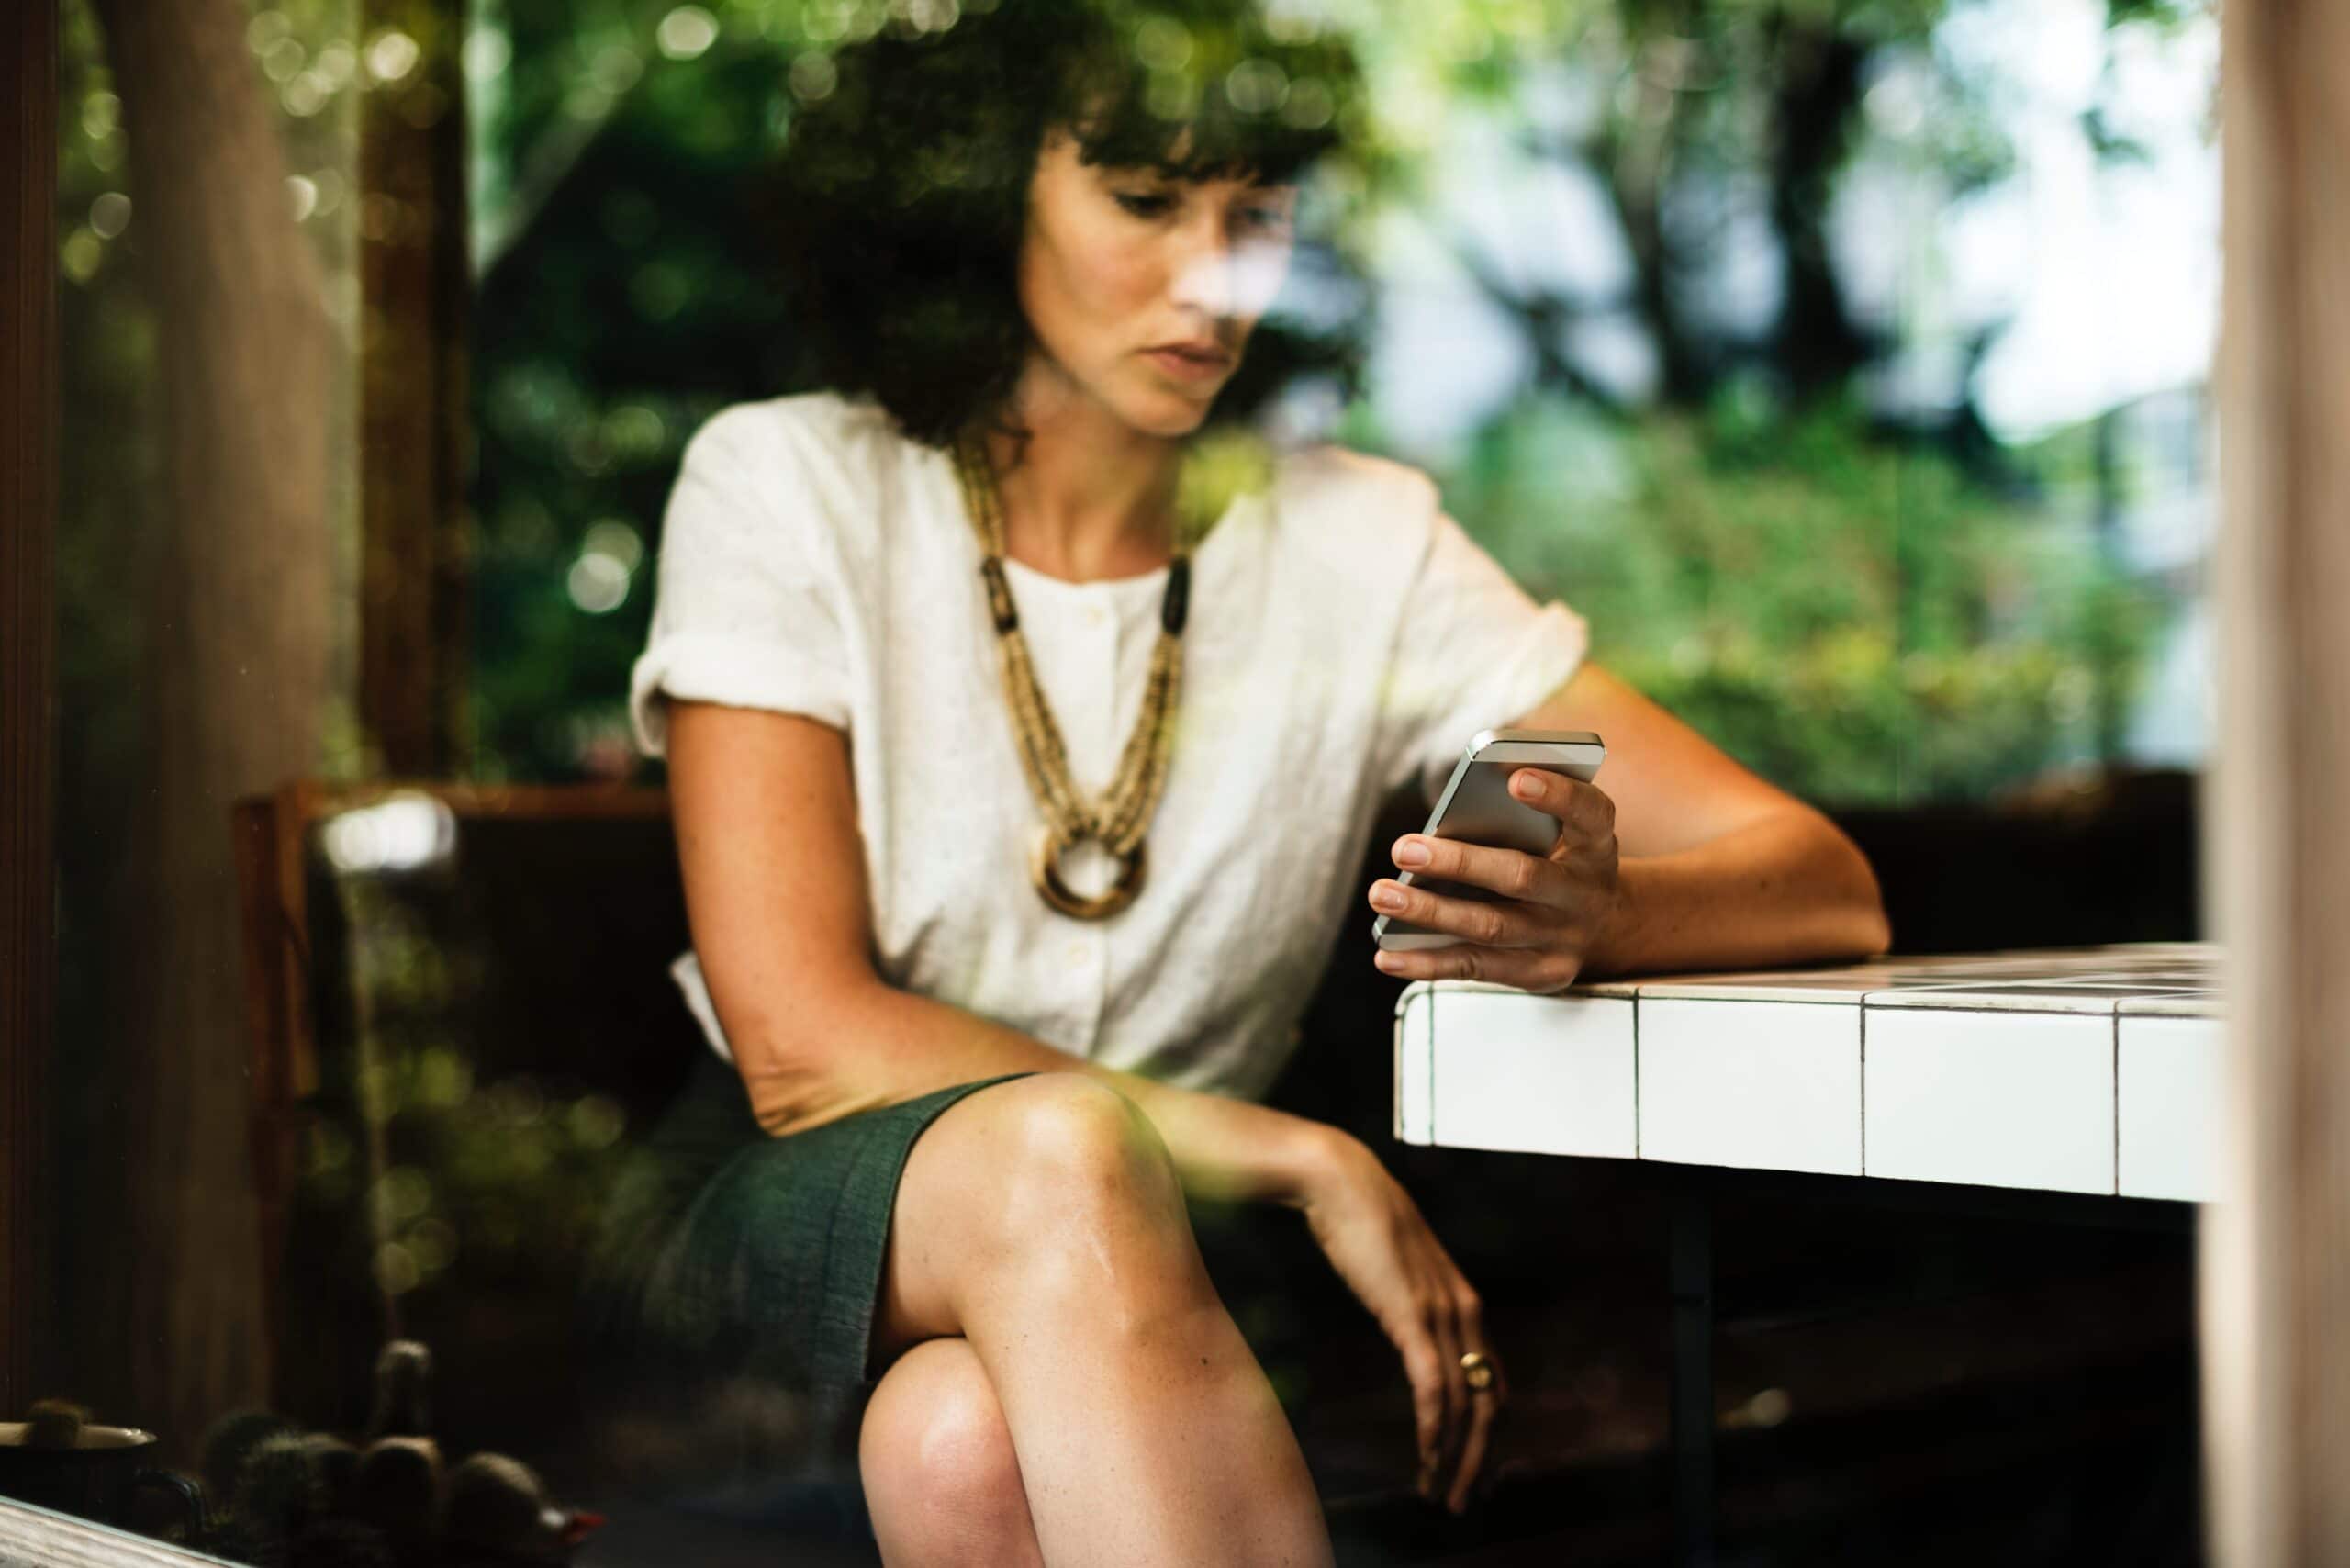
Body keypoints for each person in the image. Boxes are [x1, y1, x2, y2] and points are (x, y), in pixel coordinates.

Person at [587, 4, 1891, 1564]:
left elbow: (1828, 885)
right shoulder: (786, 480)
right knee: (1066, 1150)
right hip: (778, 1220)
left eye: (1254, 217)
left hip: (1146, 1291)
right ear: (984, 194)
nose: (1212, 273)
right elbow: (805, 1046)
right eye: (1144, 200)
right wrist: (1296, 1152)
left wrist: (1595, 916)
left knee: (956, 1446)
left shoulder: (1360, 541)